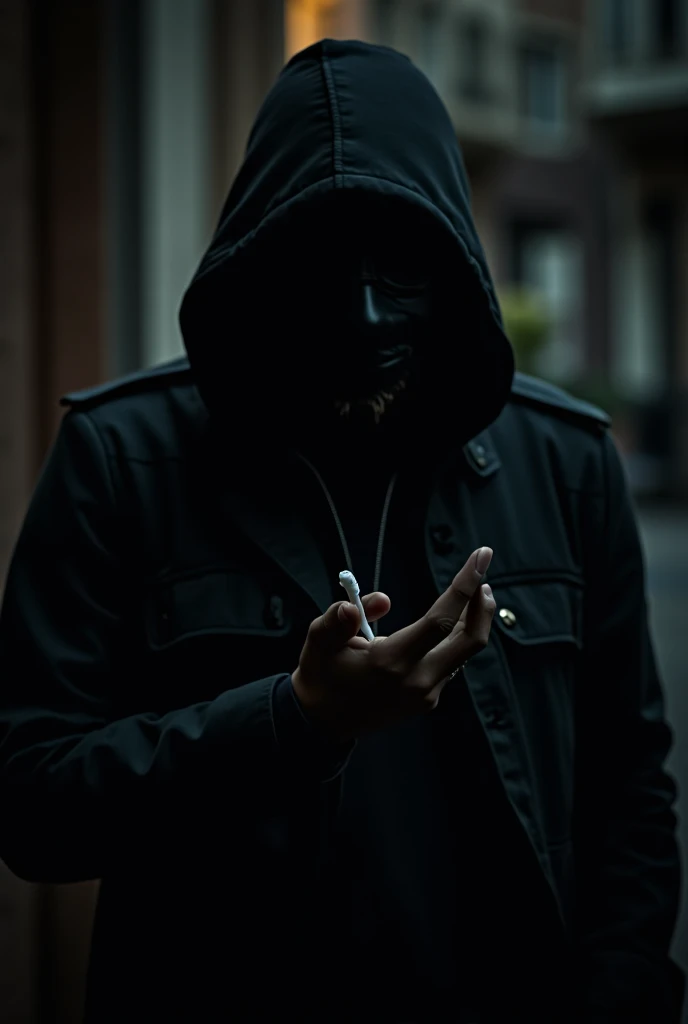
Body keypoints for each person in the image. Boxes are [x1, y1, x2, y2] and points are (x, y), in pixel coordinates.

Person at [0, 39, 683, 1024]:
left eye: (400, 261)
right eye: (322, 260)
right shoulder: (123, 459)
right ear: (259, 260)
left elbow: (629, 794)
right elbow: (31, 802)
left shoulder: (565, 464)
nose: (363, 314)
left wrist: (620, 995)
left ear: (455, 261)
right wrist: (294, 718)